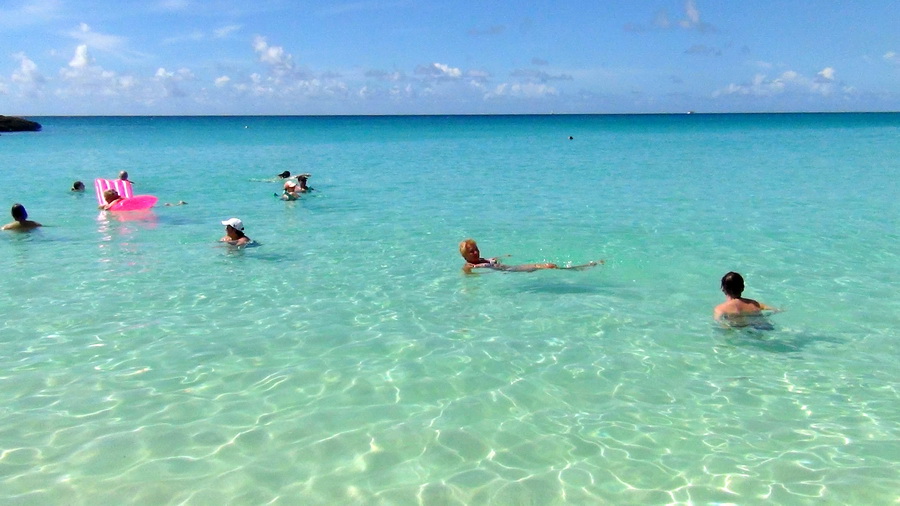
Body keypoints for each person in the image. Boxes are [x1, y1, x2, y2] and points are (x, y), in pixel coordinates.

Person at [459, 238, 601, 274]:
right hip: (510, 270)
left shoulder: (482, 260)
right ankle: (578, 268)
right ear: (465, 256)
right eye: (471, 252)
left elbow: (493, 260)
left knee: (545, 266)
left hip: (509, 267)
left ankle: (577, 268)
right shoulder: (470, 265)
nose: (476, 252)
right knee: (546, 266)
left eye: (476, 249)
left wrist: (502, 256)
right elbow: (467, 272)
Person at [713, 271, 779, 325]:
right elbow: (775, 310)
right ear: (743, 288)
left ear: (723, 289)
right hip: (759, 326)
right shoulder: (754, 304)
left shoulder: (720, 309)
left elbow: (718, 324)